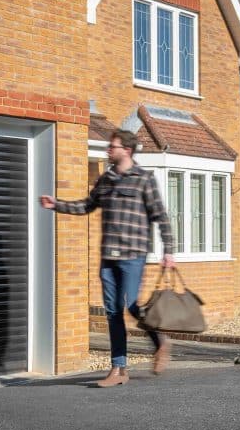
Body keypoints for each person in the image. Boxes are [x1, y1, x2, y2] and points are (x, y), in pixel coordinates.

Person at [39, 129, 176, 387]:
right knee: (113, 312)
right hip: (108, 257)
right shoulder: (106, 179)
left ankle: (160, 341)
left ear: (127, 150)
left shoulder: (144, 179)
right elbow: (87, 205)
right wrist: (56, 204)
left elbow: (161, 216)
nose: (108, 150)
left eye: (112, 147)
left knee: (133, 306)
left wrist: (169, 251)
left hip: (133, 254)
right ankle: (119, 369)